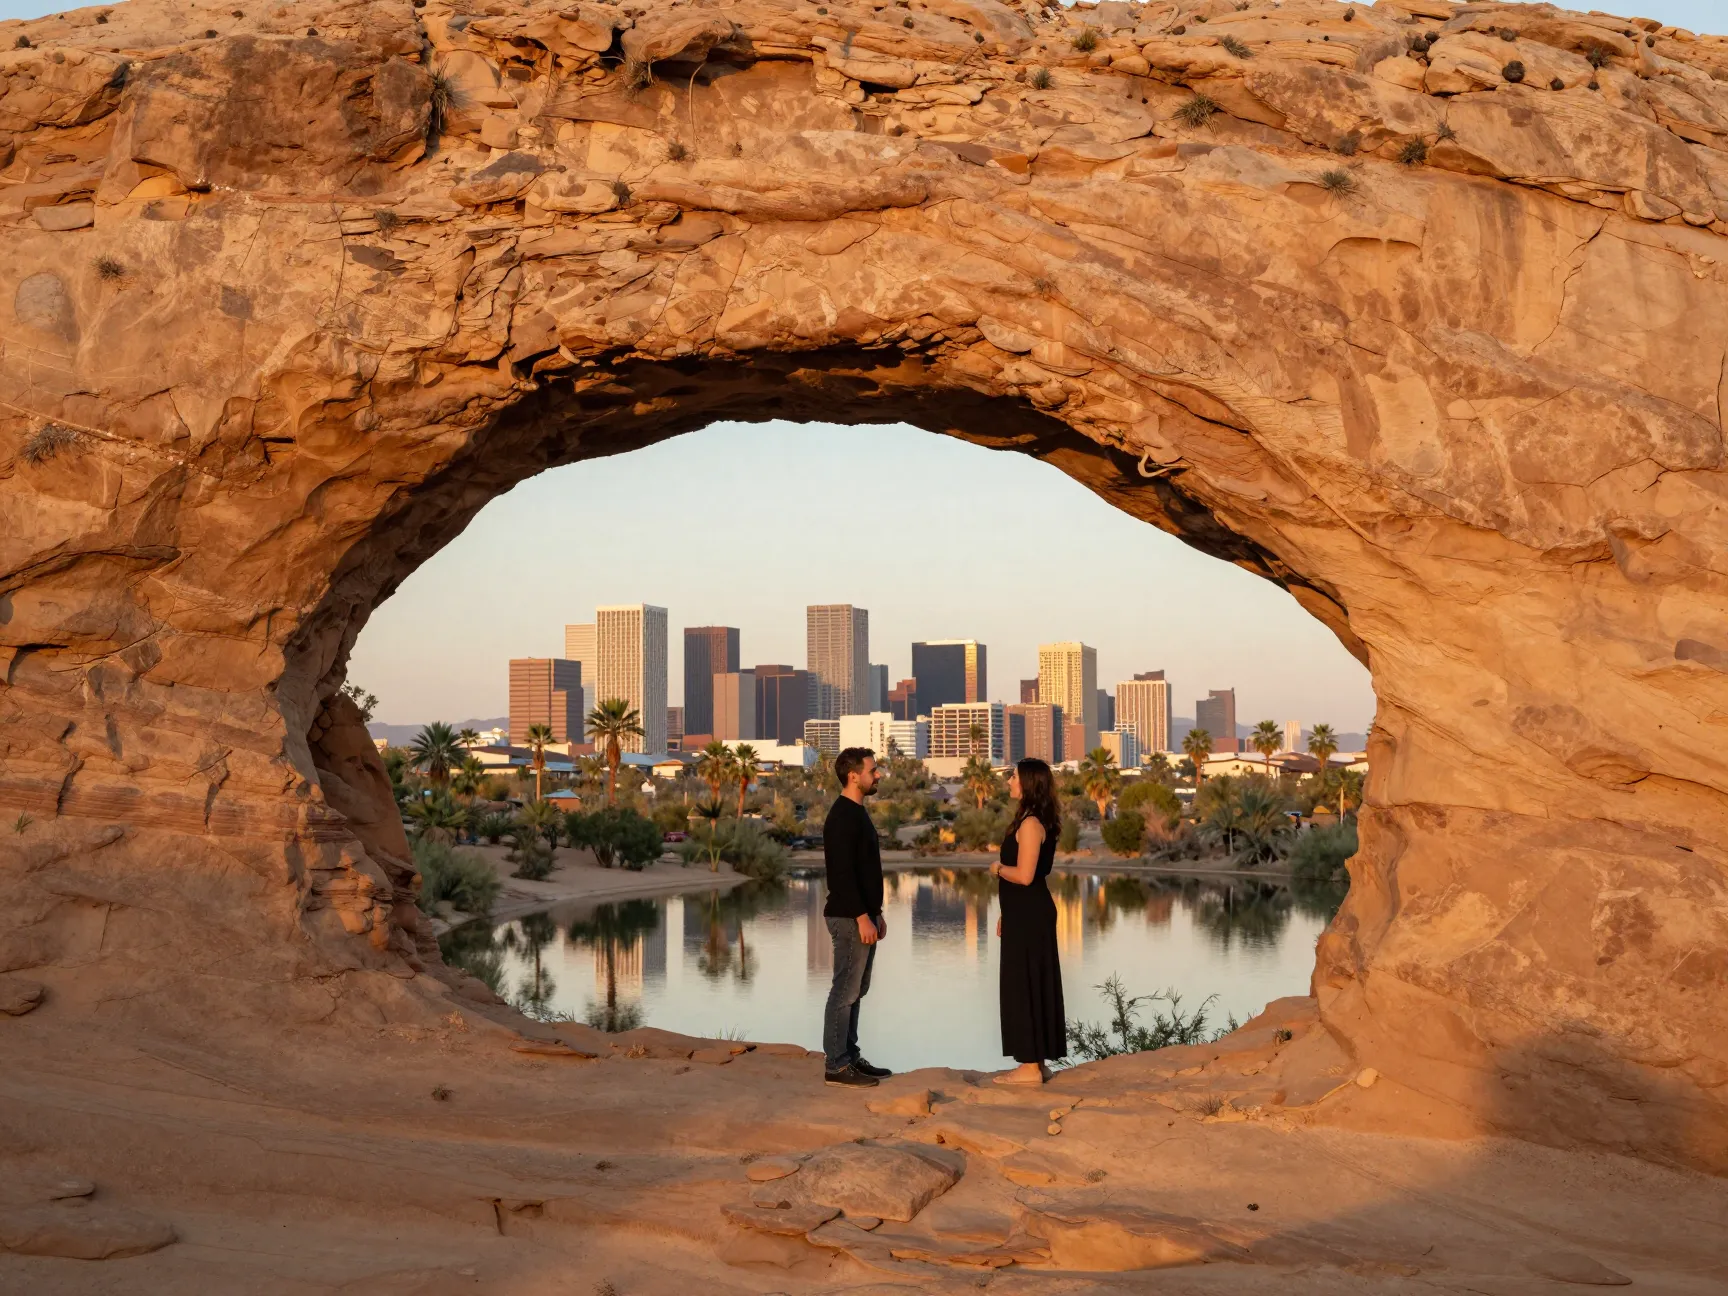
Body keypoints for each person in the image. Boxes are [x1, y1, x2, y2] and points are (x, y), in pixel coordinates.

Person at [990, 757, 1066, 1084]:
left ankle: (1031, 1067)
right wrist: (1005, 913)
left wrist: (997, 868)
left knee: (1025, 984)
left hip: (1030, 914)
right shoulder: (1028, 819)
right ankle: (1038, 1062)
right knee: (1031, 981)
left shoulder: (1031, 824)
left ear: (1028, 783)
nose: (1009, 781)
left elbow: (1024, 876)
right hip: (1023, 913)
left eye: (1014, 776)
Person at [821, 746, 892, 1087]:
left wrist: (876, 914)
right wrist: (863, 916)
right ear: (853, 776)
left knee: (856, 990)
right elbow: (842, 875)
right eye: (872, 770)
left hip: (863, 916)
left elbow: (865, 871)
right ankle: (836, 1065)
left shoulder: (857, 812)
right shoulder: (841, 817)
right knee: (844, 991)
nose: (878, 775)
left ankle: (849, 1055)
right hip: (849, 917)